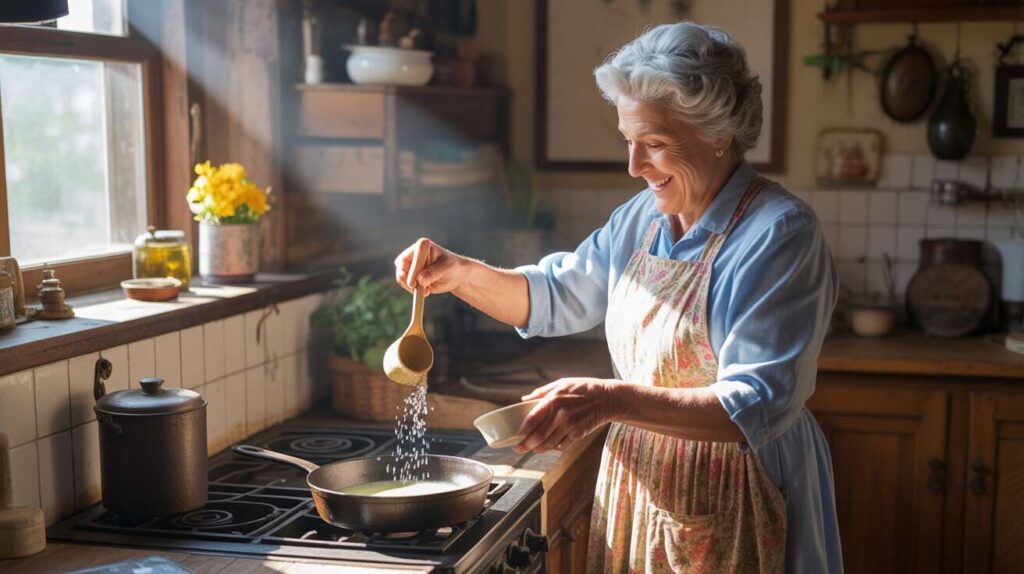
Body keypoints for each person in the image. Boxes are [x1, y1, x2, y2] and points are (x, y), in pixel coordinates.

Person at [395, 21, 842, 573]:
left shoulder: (779, 233)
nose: (635, 166)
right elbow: (555, 295)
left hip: (745, 488)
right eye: (630, 142)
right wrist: (460, 274)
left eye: (655, 145)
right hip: (645, 482)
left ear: (718, 132)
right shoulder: (643, 219)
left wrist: (608, 399)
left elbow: (754, 404)